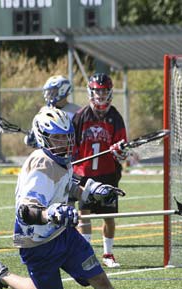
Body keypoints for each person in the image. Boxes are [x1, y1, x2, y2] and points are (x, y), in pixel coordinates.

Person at [0, 106, 158, 289]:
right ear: (44, 137)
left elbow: (68, 187)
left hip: (64, 235)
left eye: (67, 137)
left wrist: (92, 193)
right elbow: (26, 211)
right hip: (38, 242)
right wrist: (50, 214)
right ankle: (2, 275)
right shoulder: (41, 166)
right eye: (57, 137)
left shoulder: (62, 160)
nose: (64, 142)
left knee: (100, 280)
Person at [72, 73, 130, 269]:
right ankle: (86, 254)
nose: (101, 95)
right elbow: (72, 145)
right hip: (85, 174)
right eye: (97, 91)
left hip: (108, 173)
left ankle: (108, 253)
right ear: (91, 91)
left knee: (109, 217)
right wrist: (73, 160)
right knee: (84, 215)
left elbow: (123, 151)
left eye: (104, 91)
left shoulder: (115, 118)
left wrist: (119, 151)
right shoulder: (81, 116)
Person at [25, 75, 81, 148]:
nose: (49, 94)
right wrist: (32, 137)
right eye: (48, 92)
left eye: (52, 91)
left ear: (63, 90)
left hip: (68, 150)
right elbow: (34, 134)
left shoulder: (76, 111)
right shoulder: (44, 110)